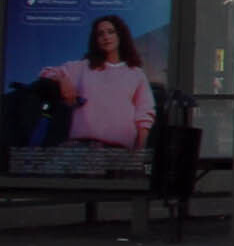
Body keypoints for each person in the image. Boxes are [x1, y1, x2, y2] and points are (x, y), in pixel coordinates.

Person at [42, 14, 156, 150]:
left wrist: (139, 152)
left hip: (120, 151)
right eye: (100, 34)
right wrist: (62, 80)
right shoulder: (83, 67)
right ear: (95, 40)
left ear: (120, 35)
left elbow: (144, 114)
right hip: (82, 148)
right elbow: (46, 73)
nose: (106, 37)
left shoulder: (136, 74)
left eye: (111, 32)